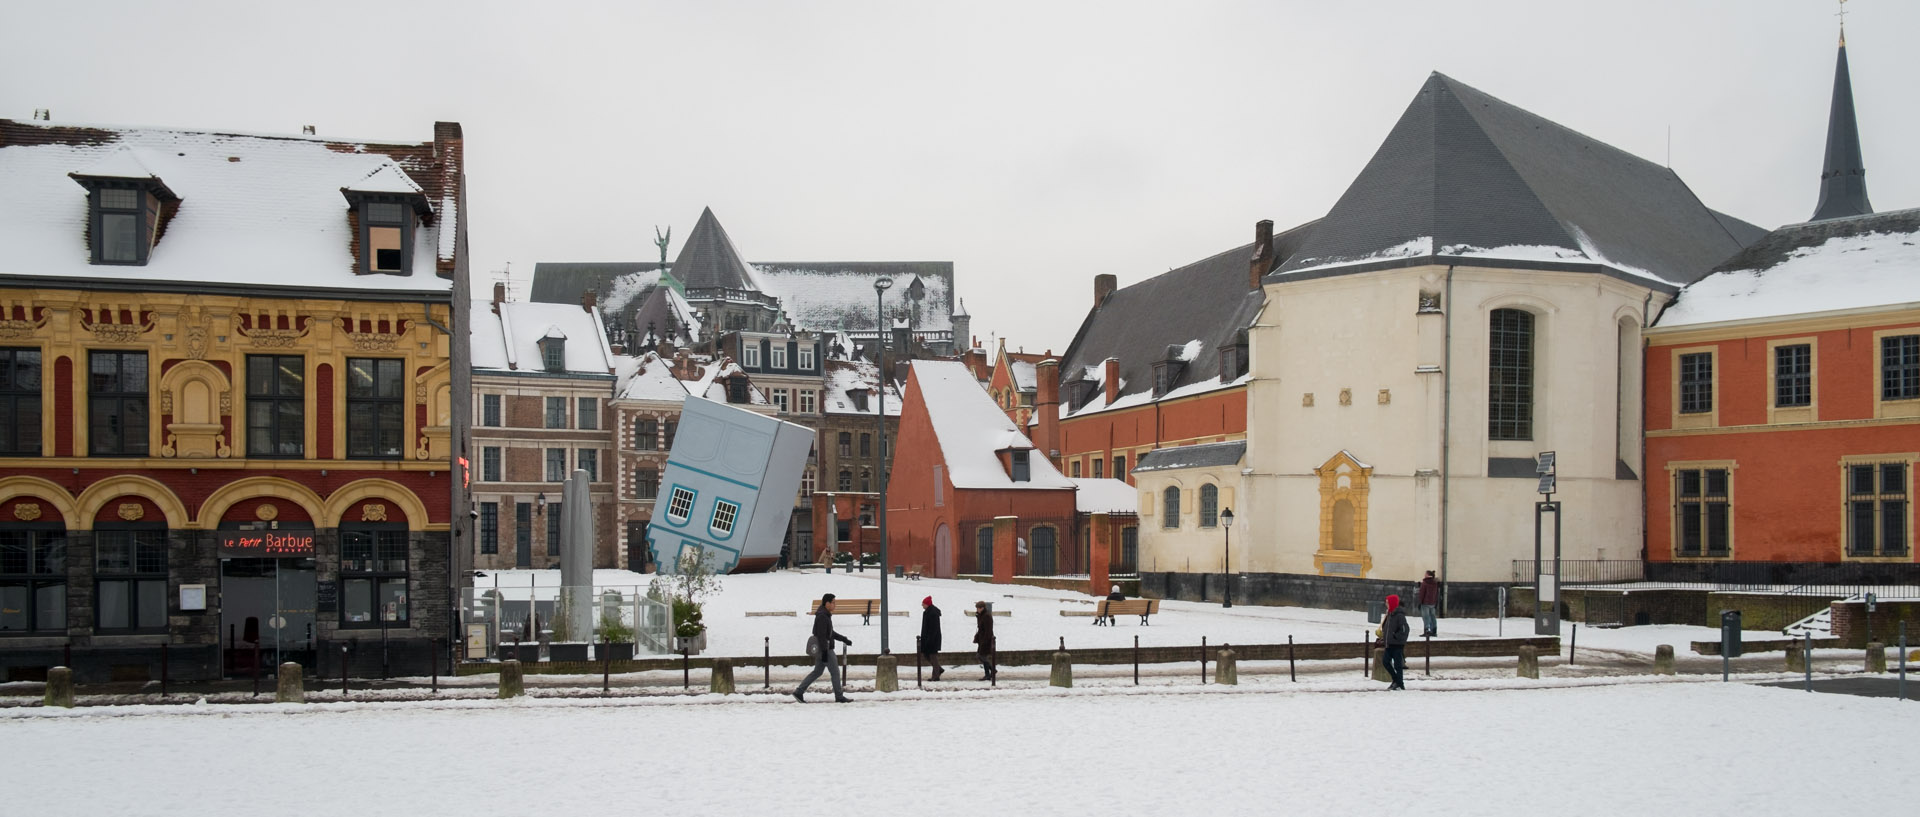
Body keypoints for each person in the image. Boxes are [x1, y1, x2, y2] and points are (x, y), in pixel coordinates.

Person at [795, 593, 853, 703]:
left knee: (817, 672)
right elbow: (821, 635)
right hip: (825, 649)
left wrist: (843, 639)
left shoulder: (825, 615)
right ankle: (839, 696)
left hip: (823, 649)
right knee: (835, 672)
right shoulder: (822, 616)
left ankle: (799, 692)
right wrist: (825, 652)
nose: (835, 605)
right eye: (833, 603)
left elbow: (830, 633)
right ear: (827, 603)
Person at [1378, 593, 1410, 690]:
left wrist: (1396, 637)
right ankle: (1397, 681)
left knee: (1397, 665)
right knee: (1385, 662)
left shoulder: (1399, 616)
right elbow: (1387, 628)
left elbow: (1405, 629)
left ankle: (1399, 683)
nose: (1386, 604)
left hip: (1397, 644)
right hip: (1389, 643)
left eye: (1388, 603)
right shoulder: (1389, 614)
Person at [920, 596, 944, 681]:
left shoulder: (932, 613)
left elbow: (933, 628)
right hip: (929, 637)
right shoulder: (928, 612)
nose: (922, 605)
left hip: (932, 638)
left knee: (932, 656)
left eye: (923, 604)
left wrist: (929, 639)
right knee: (928, 655)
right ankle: (938, 669)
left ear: (927, 604)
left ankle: (936, 676)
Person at [973, 600, 996, 681]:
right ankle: (992, 670)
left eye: (978, 608)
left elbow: (988, 630)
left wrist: (985, 640)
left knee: (982, 656)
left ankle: (988, 674)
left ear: (982, 608)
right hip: (982, 639)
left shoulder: (986, 616)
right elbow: (980, 628)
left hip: (986, 640)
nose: (977, 610)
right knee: (980, 656)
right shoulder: (981, 615)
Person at [1417, 570, 1440, 637]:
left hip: (1425, 603)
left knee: (1426, 617)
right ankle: (1434, 630)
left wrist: (1420, 602)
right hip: (1433, 603)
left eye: (1425, 574)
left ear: (1427, 575)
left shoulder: (1424, 583)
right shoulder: (1435, 583)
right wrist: (1436, 602)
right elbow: (1436, 594)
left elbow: (1422, 594)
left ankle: (1426, 630)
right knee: (1433, 616)